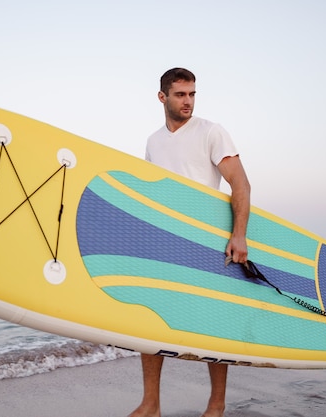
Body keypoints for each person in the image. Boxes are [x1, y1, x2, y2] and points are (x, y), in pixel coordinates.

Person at [128, 68, 251, 417]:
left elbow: (240, 184)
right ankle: (151, 404)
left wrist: (238, 234)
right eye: (181, 94)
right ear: (162, 97)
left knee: (212, 322)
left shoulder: (211, 131)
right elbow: (156, 194)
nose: (188, 101)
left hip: (206, 239)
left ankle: (216, 404)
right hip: (164, 242)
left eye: (192, 94)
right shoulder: (153, 141)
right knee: (150, 321)